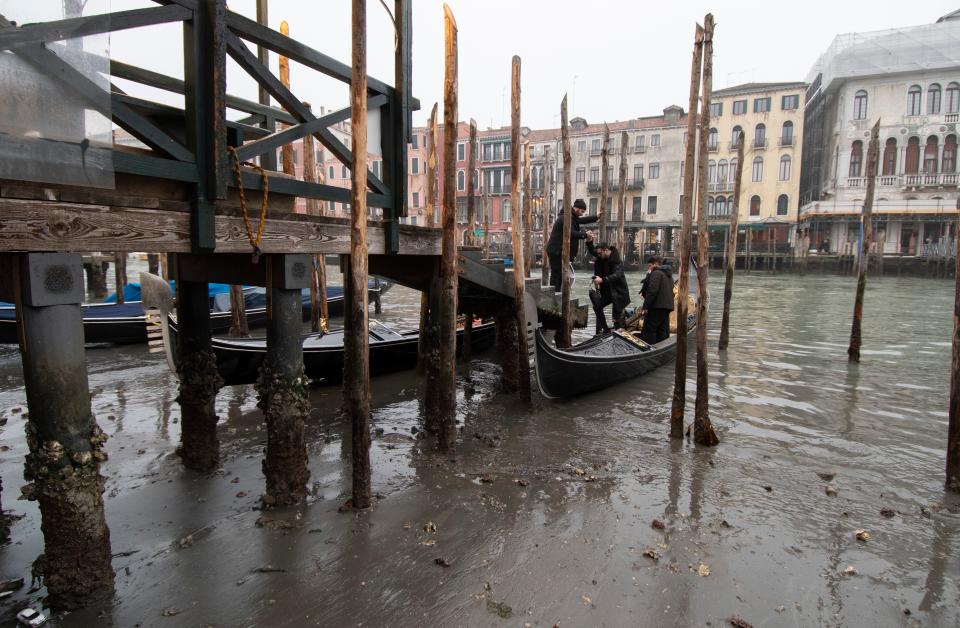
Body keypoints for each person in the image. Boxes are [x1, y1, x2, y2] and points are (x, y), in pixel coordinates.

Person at [546, 198, 599, 292]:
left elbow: (582, 220)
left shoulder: (571, 217)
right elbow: (570, 233)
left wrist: (596, 217)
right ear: (577, 209)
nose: (582, 214)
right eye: (582, 211)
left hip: (559, 250)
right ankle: (554, 295)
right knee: (557, 274)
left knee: (561, 274)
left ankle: (558, 294)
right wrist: (585, 234)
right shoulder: (566, 218)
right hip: (556, 250)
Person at [585, 237, 630, 335]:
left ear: (605, 250)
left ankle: (620, 339)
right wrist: (589, 242)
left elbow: (618, 275)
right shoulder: (602, 255)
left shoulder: (616, 260)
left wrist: (602, 280)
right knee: (597, 307)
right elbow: (593, 251)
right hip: (609, 292)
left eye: (600, 253)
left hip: (618, 293)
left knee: (616, 318)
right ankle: (605, 330)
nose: (599, 255)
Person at [639, 255, 674, 344]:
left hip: (656, 307)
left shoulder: (656, 273)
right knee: (662, 331)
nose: (649, 268)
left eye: (650, 266)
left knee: (649, 330)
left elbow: (652, 291)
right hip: (667, 307)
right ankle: (661, 350)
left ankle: (648, 350)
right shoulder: (669, 274)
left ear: (656, 264)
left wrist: (645, 307)